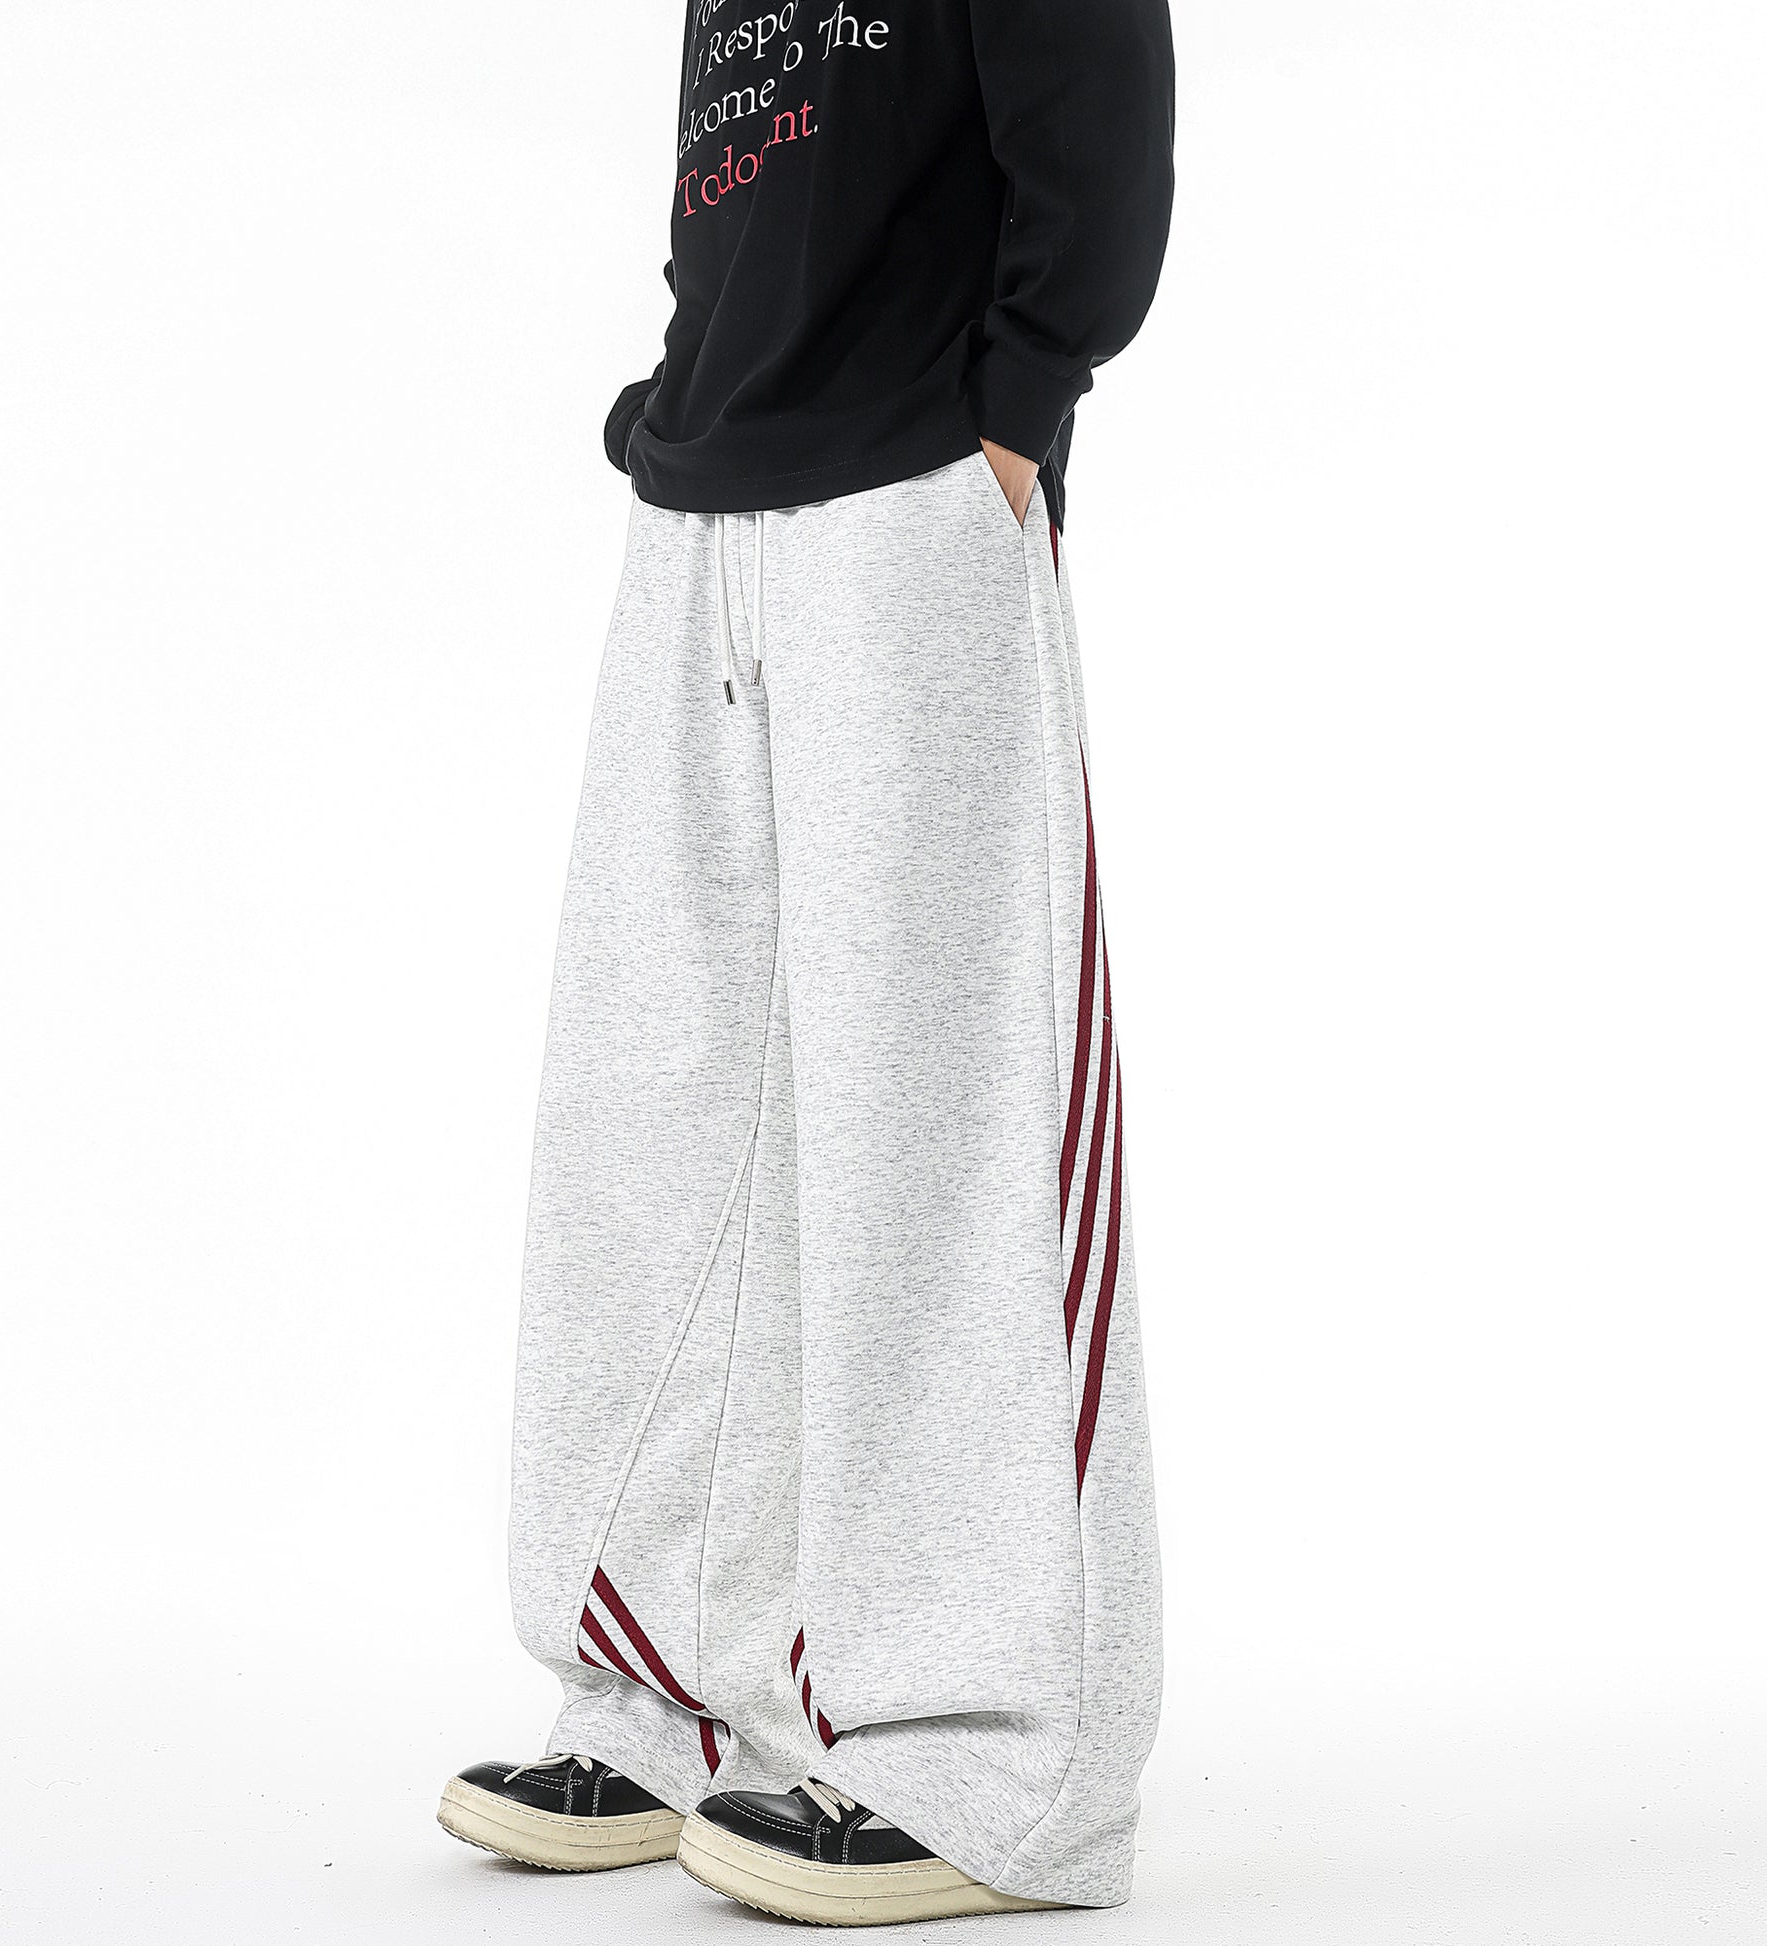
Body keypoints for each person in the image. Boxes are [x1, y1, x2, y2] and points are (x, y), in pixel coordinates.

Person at [438, 0, 1175, 1924]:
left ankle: (994, 1763)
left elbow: (1095, 106)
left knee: (935, 1128)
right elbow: (746, 171)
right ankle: (673, 1689)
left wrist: (1019, 405)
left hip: (920, 486)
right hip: (706, 497)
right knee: (659, 1111)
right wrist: (679, 397)